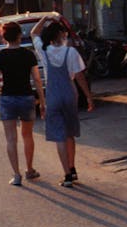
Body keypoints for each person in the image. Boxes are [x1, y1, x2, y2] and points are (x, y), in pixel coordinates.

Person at [31, 15, 94, 187]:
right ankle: (72, 169)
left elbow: (33, 33)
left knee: (59, 136)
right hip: (69, 94)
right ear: (61, 35)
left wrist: (45, 18)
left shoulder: (44, 50)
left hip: (53, 95)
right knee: (69, 134)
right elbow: (79, 77)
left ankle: (66, 174)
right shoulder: (71, 52)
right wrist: (88, 96)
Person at [0, 21, 45, 187]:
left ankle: (16, 174)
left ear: (5, 37)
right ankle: (29, 169)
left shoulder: (0, 56)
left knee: (11, 139)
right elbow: (36, 79)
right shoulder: (28, 54)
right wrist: (42, 100)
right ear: (20, 35)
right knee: (27, 135)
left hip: (7, 98)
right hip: (26, 98)